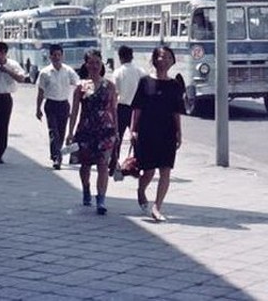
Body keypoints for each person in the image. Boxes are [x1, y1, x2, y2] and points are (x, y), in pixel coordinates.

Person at [130, 46, 184, 222]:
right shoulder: (145, 81)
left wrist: (179, 132)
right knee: (149, 171)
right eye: (162, 57)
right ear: (154, 60)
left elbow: (177, 111)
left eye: (169, 57)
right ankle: (141, 190)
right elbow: (137, 108)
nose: (165, 60)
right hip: (147, 130)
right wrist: (133, 130)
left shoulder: (175, 85)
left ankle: (157, 207)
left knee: (165, 170)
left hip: (167, 131)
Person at [66, 50, 118, 215]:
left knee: (103, 163)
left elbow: (114, 109)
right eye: (91, 63)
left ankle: (101, 199)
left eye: (97, 62)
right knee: (86, 164)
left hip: (105, 130)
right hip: (86, 130)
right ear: (86, 64)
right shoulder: (81, 87)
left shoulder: (109, 86)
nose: (94, 66)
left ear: (102, 64)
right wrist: (70, 132)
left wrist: (116, 131)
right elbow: (74, 111)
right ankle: (86, 188)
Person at [35, 44, 80, 170]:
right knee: (53, 132)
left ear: (62, 56)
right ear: (50, 56)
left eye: (59, 55)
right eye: (54, 55)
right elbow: (41, 92)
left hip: (64, 105)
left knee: (61, 132)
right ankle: (56, 157)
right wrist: (38, 108)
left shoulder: (68, 71)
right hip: (51, 104)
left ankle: (57, 153)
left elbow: (78, 82)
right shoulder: (45, 73)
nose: (57, 57)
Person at [0, 41, 26, 165]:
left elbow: (21, 78)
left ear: (3, 53)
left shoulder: (13, 64)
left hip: (6, 98)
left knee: (3, 126)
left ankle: (0, 152)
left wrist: (7, 70)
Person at [111, 45, 148, 173]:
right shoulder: (141, 72)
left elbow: (115, 94)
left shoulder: (118, 72)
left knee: (118, 137)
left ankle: (113, 163)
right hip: (138, 109)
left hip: (122, 108)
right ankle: (138, 163)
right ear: (132, 56)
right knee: (137, 137)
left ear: (120, 57)